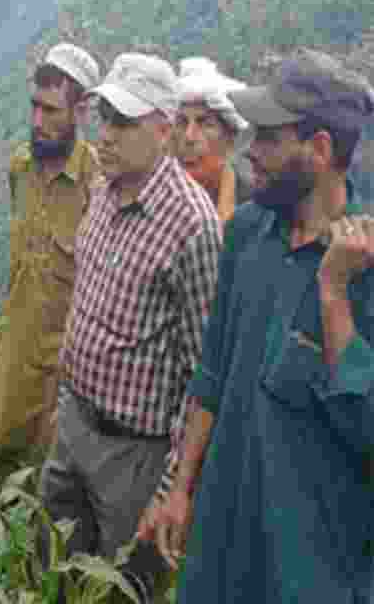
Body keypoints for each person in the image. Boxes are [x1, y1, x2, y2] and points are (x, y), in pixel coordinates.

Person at [137, 50, 374, 603]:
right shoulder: (246, 234)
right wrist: (179, 488)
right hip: (223, 543)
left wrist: (334, 294)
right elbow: (213, 371)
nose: (251, 154)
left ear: (319, 150)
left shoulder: (363, 272)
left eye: (269, 138)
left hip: (309, 568)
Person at [38, 53, 220, 603]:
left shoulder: (193, 227)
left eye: (124, 123)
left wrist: (172, 489)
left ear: (164, 130)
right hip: (75, 427)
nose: (107, 136)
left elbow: (201, 371)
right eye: (105, 119)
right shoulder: (102, 189)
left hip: (134, 456)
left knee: (123, 588)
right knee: (55, 570)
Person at [0, 43, 101, 490]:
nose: (37, 122)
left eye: (51, 110)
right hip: (13, 355)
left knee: (45, 489)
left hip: (61, 371)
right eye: (34, 107)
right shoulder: (20, 170)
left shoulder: (96, 184)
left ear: (80, 112)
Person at [174, 57, 248, 225]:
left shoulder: (255, 204)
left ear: (230, 138)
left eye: (205, 124)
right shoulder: (155, 198)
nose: (189, 137)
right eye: (182, 123)